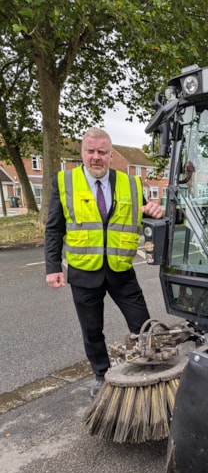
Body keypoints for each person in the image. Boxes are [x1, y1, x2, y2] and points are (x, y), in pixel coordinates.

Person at [45, 127, 163, 398]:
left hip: (122, 270)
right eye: (90, 151)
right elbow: (54, 228)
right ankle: (101, 375)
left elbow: (146, 212)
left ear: (111, 155)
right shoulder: (64, 182)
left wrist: (154, 211)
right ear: (82, 153)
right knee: (92, 331)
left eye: (102, 152)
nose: (96, 157)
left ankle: (152, 371)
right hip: (84, 271)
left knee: (143, 325)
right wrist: (52, 267)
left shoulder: (130, 183)